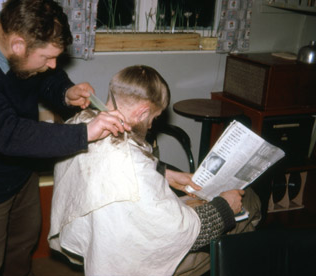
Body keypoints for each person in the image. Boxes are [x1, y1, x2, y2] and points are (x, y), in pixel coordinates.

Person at [0, 0, 130, 275]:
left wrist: (65, 92)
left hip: (20, 173)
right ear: (17, 45)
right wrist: (85, 132)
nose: (53, 65)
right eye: (47, 57)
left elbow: (44, 78)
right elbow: (9, 134)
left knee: (21, 248)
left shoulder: (20, 38)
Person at [49, 65, 261, 276]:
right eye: (153, 118)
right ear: (142, 112)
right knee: (250, 204)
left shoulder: (81, 124)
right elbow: (191, 235)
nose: (151, 126)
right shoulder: (133, 167)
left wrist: (165, 173)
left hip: (98, 235)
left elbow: (114, 171)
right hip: (130, 259)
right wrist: (226, 206)